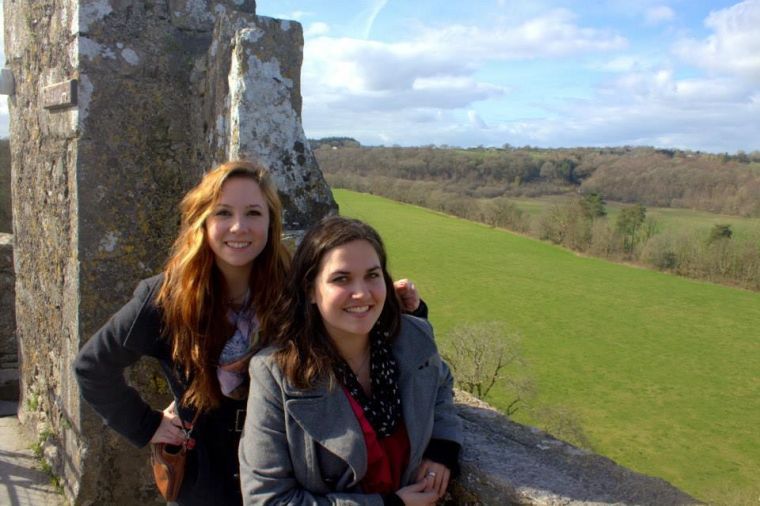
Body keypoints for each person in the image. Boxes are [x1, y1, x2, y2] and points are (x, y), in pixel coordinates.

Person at [74, 161, 427, 505]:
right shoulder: (165, 298)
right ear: (203, 220)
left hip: (288, 469)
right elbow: (92, 366)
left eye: (254, 213)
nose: (239, 227)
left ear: (271, 221)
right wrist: (145, 424)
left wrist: (401, 306)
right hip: (206, 480)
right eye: (223, 213)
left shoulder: (291, 285)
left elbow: (347, 317)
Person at [239, 216, 463, 506]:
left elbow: (441, 384)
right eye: (341, 279)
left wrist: (443, 447)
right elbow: (267, 500)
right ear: (310, 290)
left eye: (372, 275)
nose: (362, 293)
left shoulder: (412, 338)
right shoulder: (276, 374)